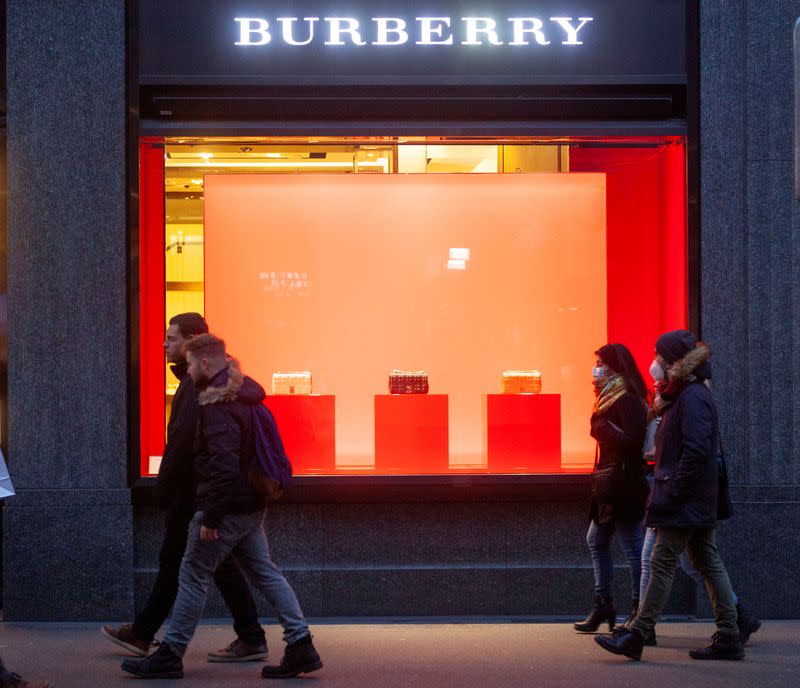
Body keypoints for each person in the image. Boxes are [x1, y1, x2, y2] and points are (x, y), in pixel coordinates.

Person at [121, 334, 322, 680]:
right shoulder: (244, 394)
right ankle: (301, 644)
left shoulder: (217, 403)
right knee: (265, 572)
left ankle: (170, 653)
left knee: (193, 575)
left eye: (191, 363)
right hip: (250, 505)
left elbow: (224, 466)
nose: (188, 371)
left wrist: (211, 517)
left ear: (206, 363)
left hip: (227, 509)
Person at [102, 313, 267, 662]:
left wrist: (168, 490)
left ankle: (160, 640)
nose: (164, 344)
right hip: (198, 493)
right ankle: (249, 635)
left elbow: (184, 446)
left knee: (188, 565)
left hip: (194, 494)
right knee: (206, 565)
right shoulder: (194, 380)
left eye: (171, 338)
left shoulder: (197, 383)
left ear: (192, 341)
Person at [596, 330, 744, 661]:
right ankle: (730, 633)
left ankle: (638, 633)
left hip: (684, 498)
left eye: (658, 355)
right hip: (691, 495)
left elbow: (694, 451)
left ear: (673, 361)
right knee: (706, 560)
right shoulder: (687, 395)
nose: (654, 362)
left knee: (661, 561)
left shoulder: (692, 398)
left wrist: (674, 488)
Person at [574, 344, 649, 633]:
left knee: (632, 547)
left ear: (615, 367)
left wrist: (600, 427)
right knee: (597, 540)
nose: (596, 369)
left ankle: (639, 613)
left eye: (601, 363)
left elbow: (632, 441)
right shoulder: (609, 398)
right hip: (610, 483)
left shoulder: (626, 398)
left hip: (623, 484)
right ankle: (604, 603)